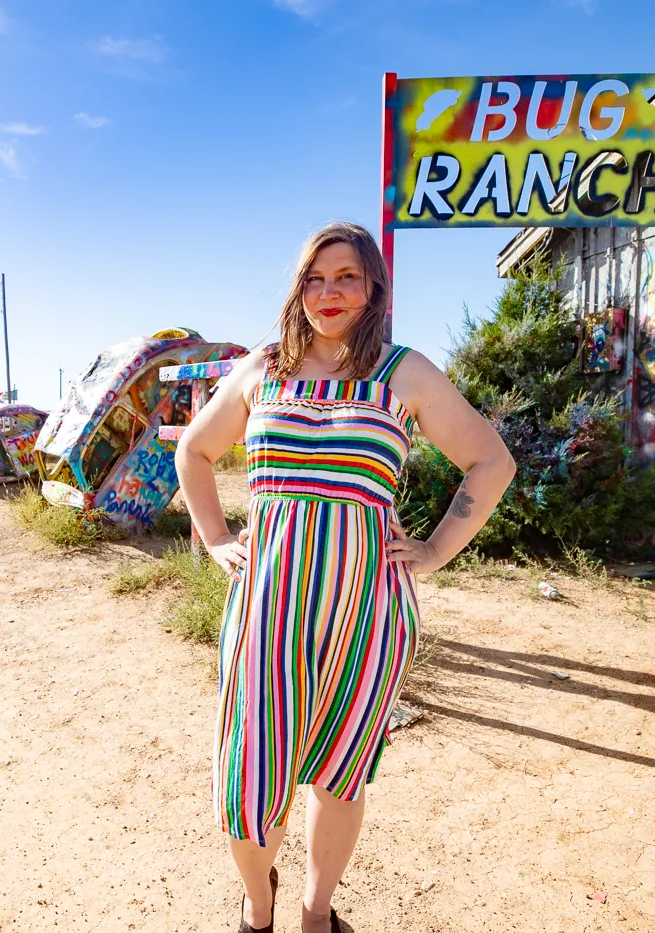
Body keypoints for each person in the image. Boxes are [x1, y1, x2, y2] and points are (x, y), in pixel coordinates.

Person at [174, 221, 517, 932]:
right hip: (267, 609)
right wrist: (214, 538)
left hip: (368, 613)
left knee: (341, 769)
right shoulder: (262, 369)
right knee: (253, 772)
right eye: (315, 278)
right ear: (298, 289)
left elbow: (492, 460)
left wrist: (434, 549)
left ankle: (315, 914)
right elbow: (193, 450)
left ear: (374, 288)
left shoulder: (404, 373)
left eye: (347, 277)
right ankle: (258, 905)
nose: (329, 293)